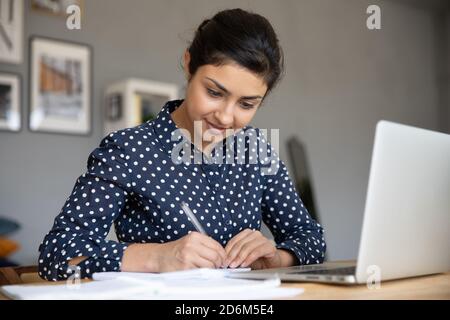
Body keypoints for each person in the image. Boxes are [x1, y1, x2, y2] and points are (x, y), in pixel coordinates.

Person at [38, 8, 326, 281]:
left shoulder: (255, 149)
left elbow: (311, 239)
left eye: (247, 103)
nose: (226, 116)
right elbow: (58, 253)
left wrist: (278, 257)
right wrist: (158, 257)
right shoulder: (128, 149)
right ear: (189, 64)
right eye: (214, 92)